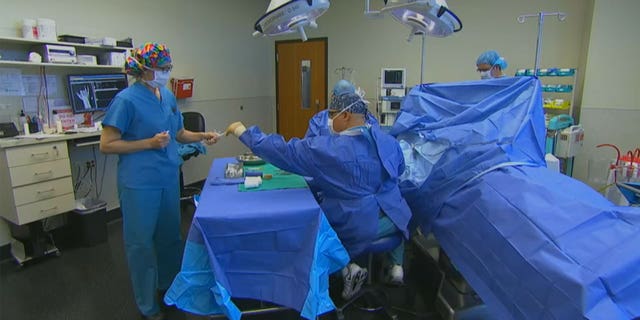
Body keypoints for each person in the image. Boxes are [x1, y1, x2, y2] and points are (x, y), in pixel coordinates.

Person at [224, 91, 412, 300]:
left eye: (332, 115)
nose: (329, 121)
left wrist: (242, 131)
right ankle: (395, 267)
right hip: (396, 217)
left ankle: (344, 270)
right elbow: (399, 168)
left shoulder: (327, 149)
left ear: (346, 115)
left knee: (314, 230)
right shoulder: (388, 142)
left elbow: (283, 151)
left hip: (359, 225)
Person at [99, 42, 219, 320]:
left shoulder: (166, 95)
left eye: (169, 67)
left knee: (170, 238)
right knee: (140, 244)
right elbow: (107, 144)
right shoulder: (126, 100)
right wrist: (148, 143)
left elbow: (179, 134)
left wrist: (203, 136)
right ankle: (146, 305)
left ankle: (168, 289)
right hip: (139, 182)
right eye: (162, 68)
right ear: (145, 69)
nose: (167, 72)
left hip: (167, 176)